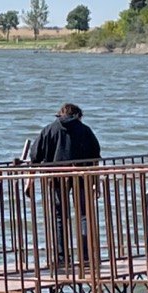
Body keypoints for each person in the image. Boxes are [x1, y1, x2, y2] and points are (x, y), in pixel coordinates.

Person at [32, 103, 101, 265]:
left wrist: (38, 169)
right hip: (82, 176)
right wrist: (95, 181)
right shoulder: (85, 130)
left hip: (57, 177)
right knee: (84, 215)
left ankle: (61, 258)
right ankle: (87, 256)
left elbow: (35, 154)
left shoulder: (49, 129)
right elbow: (95, 155)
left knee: (59, 217)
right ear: (77, 115)